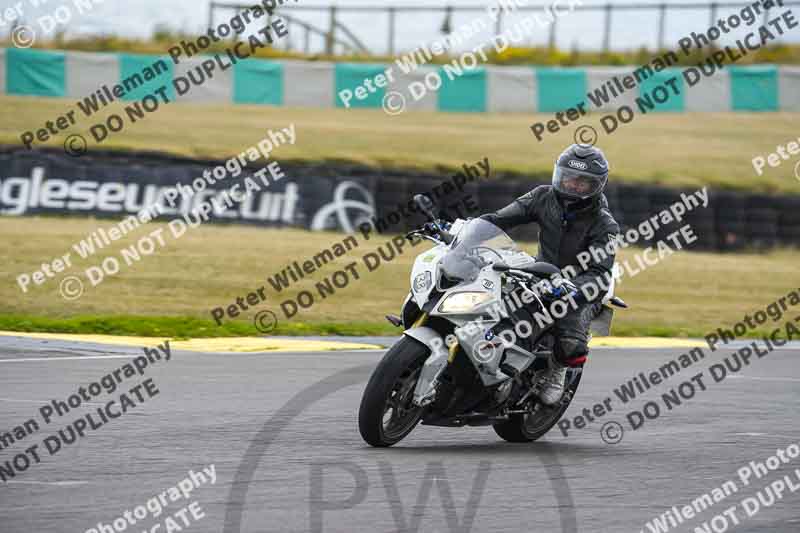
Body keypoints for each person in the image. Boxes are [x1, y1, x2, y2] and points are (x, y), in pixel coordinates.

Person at [481, 144, 620, 406]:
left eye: (583, 182)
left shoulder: (605, 224)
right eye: (569, 177)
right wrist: (462, 230)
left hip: (578, 287)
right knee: (494, 305)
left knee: (570, 342)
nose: (573, 186)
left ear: (596, 185)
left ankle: (557, 370)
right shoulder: (542, 197)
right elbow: (499, 220)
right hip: (540, 273)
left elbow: (600, 274)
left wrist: (572, 289)